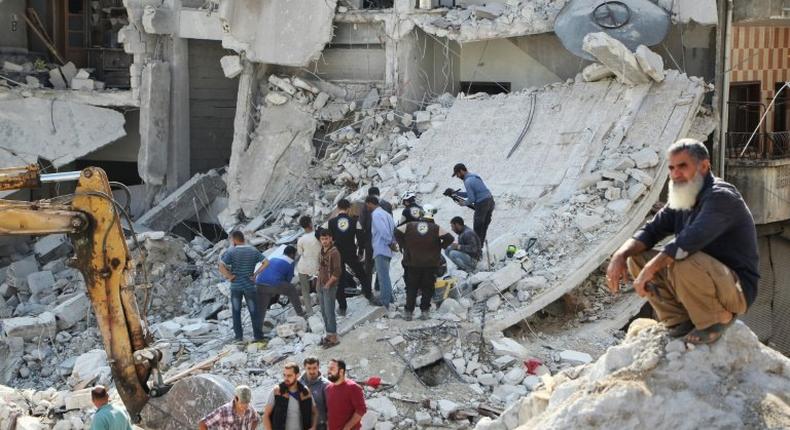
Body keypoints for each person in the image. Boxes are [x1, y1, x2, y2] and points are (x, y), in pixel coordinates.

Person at [606, 138, 759, 345]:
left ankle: (717, 319)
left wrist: (649, 271)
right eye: (671, 168)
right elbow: (650, 231)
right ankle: (680, 320)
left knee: (681, 258)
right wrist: (620, 255)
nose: (675, 174)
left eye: (683, 166)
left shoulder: (721, 197)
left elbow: (687, 242)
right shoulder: (684, 197)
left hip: (736, 289)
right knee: (637, 257)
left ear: (704, 166)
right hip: (703, 276)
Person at [395, 210, 454, 320]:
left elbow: (397, 231)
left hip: (412, 263)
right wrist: (440, 246)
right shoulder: (435, 228)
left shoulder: (410, 225)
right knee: (427, 288)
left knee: (411, 288)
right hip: (429, 264)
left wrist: (404, 245)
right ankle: (425, 312)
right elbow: (450, 238)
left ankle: (408, 312)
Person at [219, 231, 265, 342]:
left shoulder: (231, 251)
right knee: (254, 311)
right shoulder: (253, 250)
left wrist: (229, 277)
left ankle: (238, 337)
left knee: (236, 311)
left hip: (236, 287)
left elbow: (221, 266)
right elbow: (266, 262)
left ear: (234, 240)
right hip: (249, 286)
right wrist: (255, 274)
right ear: (243, 238)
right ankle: (258, 336)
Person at [327, 199, 371, 308]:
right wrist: (360, 251)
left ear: (338, 208)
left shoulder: (331, 222)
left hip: (337, 254)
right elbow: (361, 238)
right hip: (351, 252)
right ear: (348, 208)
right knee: (361, 275)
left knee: (339, 280)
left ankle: (342, 307)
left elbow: (330, 240)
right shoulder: (354, 221)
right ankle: (369, 295)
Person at [254, 245, 306, 327]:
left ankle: (259, 323)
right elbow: (287, 280)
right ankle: (300, 313)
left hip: (259, 283)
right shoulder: (290, 262)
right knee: (291, 289)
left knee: (263, 302)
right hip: (273, 284)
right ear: (292, 254)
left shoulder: (274, 258)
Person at [263, 362, 317, 430]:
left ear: (297, 375)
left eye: (289, 375)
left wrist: (314, 427)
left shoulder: (305, 392)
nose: (286, 378)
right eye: (284, 375)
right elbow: (266, 415)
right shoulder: (277, 391)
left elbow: (315, 412)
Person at [359, 187, 393, 292]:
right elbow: (390, 221)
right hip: (385, 239)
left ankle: (367, 288)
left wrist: (361, 244)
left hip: (370, 238)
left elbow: (362, 223)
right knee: (382, 265)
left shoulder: (366, 206)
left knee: (369, 264)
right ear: (378, 193)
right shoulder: (387, 205)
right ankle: (379, 286)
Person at [452, 163, 495, 243]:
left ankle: (476, 250)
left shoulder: (467, 181)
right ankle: (480, 247)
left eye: (457, 174)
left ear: (461, 171)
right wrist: (457, 193)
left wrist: (463, 203)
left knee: (478, 228)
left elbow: (471, 198)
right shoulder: (474, 176)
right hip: (490, 201)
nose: (457, 176)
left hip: (482, 204)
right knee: (484, 227)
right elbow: (472, 193)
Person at [366, 196, 396, 309]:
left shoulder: (376, 214)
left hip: (381, 247)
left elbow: (383, 230)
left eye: (367, 205)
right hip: (387, 248)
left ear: (370, 203)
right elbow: (394, 229)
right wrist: (393, 242)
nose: (367, 207)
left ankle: (384, 301)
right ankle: (390, 298)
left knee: (383, 277)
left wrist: (389, 242)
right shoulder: (387, 214)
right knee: (385, 275)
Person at [325, 359, 366, 430]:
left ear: (341, 371)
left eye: (331, 368)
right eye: (328, 368)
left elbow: (361, 410)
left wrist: (347, 427)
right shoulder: (328, 388)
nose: (328, 371)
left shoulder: (353, 387)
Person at [318, 229, 342, 348]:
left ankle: (333, 336)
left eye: (326, 238)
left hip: (329, 286)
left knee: (329, 311)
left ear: (331, 238)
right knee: (323, 311)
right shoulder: (322, 251)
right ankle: (328, 334)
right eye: (322, 239)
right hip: (320, 285)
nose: (324, 241)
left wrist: (328, 284)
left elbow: (338, 271)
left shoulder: (334, 252)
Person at [296, 216, 321, 317]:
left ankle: (310, 312)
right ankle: (322, 306)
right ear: (310, 224)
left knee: (305, 291)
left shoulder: (301, 239)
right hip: (316, 265)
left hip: (303, 267)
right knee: (320, 288)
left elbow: (300, 253)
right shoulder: (318, 235)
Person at [299, 357, 330, 430]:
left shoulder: (326, 385)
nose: (312, 371)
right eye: (309, 368)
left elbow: (331, 408)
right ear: (304, 368)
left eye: (314, 368)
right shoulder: (298, 382)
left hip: (321, 426)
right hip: (303, 425)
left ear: (319, 367)